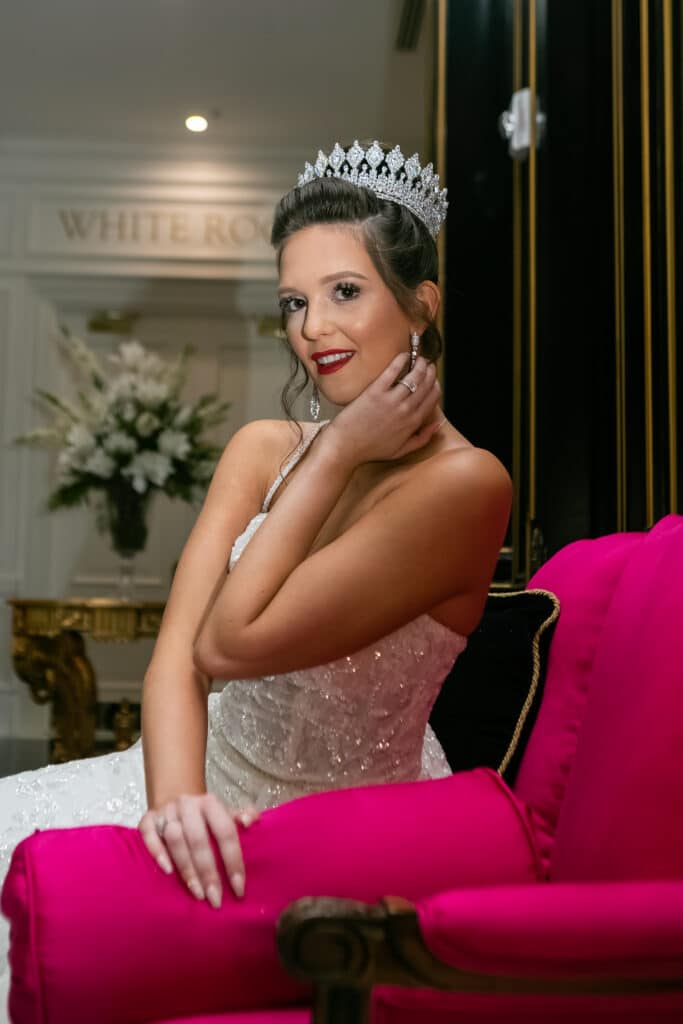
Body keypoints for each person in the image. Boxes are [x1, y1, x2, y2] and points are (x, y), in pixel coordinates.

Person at [0, 139, 511, 1008]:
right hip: (191, 778)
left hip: (337, 830)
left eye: (344, 292)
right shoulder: (261, 446)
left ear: (420, 304)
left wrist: (337, 453)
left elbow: (233, 643)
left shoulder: (464, 486)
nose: (311, 329)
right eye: (293, 302)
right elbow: (178, 657)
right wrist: (172, 803)